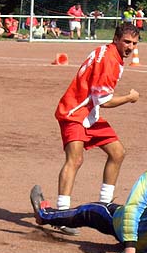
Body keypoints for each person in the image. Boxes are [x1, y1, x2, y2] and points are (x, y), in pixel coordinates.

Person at [53, 22, 140, 234]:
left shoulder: (107, 51)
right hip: (74, 112)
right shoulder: (110, 61)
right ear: (116, 39)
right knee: (75, 160)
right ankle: (62, 215)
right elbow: (104, 100)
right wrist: (129, 98)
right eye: (126, 42)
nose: (130, 47)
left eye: (134, 43)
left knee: (117, 153)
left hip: (89, 113)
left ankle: (105, 204)